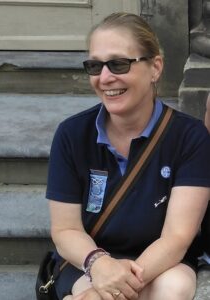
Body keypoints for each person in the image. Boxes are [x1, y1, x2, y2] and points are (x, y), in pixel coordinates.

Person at [47, 12, 210, 300]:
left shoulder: (189, 136)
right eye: (95, 66)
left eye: (119, 64)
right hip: (88, 259)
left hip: (163, 261)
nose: (106, 77)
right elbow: (65, 229)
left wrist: (119, 283)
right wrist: (100, 265)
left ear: (155, 67)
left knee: (171, 289)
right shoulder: (72, 135)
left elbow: (177, 237)